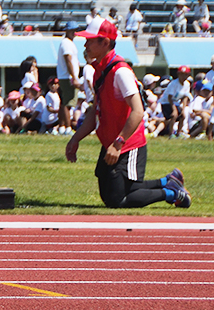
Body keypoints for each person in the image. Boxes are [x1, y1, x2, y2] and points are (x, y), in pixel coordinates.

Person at [65, 17, 191, 209]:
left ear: (105, 43)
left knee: (118, 200)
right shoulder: (99, 69)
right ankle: (168, 181)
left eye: (90, 40)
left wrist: (119, 143)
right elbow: (95, 111)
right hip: (111, 141)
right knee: (110, 195)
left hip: (127, 143)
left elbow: (138, 111)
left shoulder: (120, 71)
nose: (85, 43)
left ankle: (172, 193)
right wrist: (76, 139)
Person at [57, 21, 81, 135]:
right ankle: (67, 127)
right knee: (68, 103)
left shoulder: (67, 42)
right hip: (68, 76)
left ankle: (62, 126)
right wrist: (74, 76)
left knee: (64, 102)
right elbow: (68, 60)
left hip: (65, 76)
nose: (75, 33)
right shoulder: (66, 43)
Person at [158, 65, 191, 137]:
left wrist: (183, 108)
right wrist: (174, 109)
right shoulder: (174, 84)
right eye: (182, 74)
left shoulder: (187, 84)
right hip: (166, 102)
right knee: (174, 115)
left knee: (183, 116)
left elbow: (185, 97)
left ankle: (178, 133)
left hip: (176, 102)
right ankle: (171, 134)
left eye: (186, 75)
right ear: (178, 74)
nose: (184, 77)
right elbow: (170, 97)